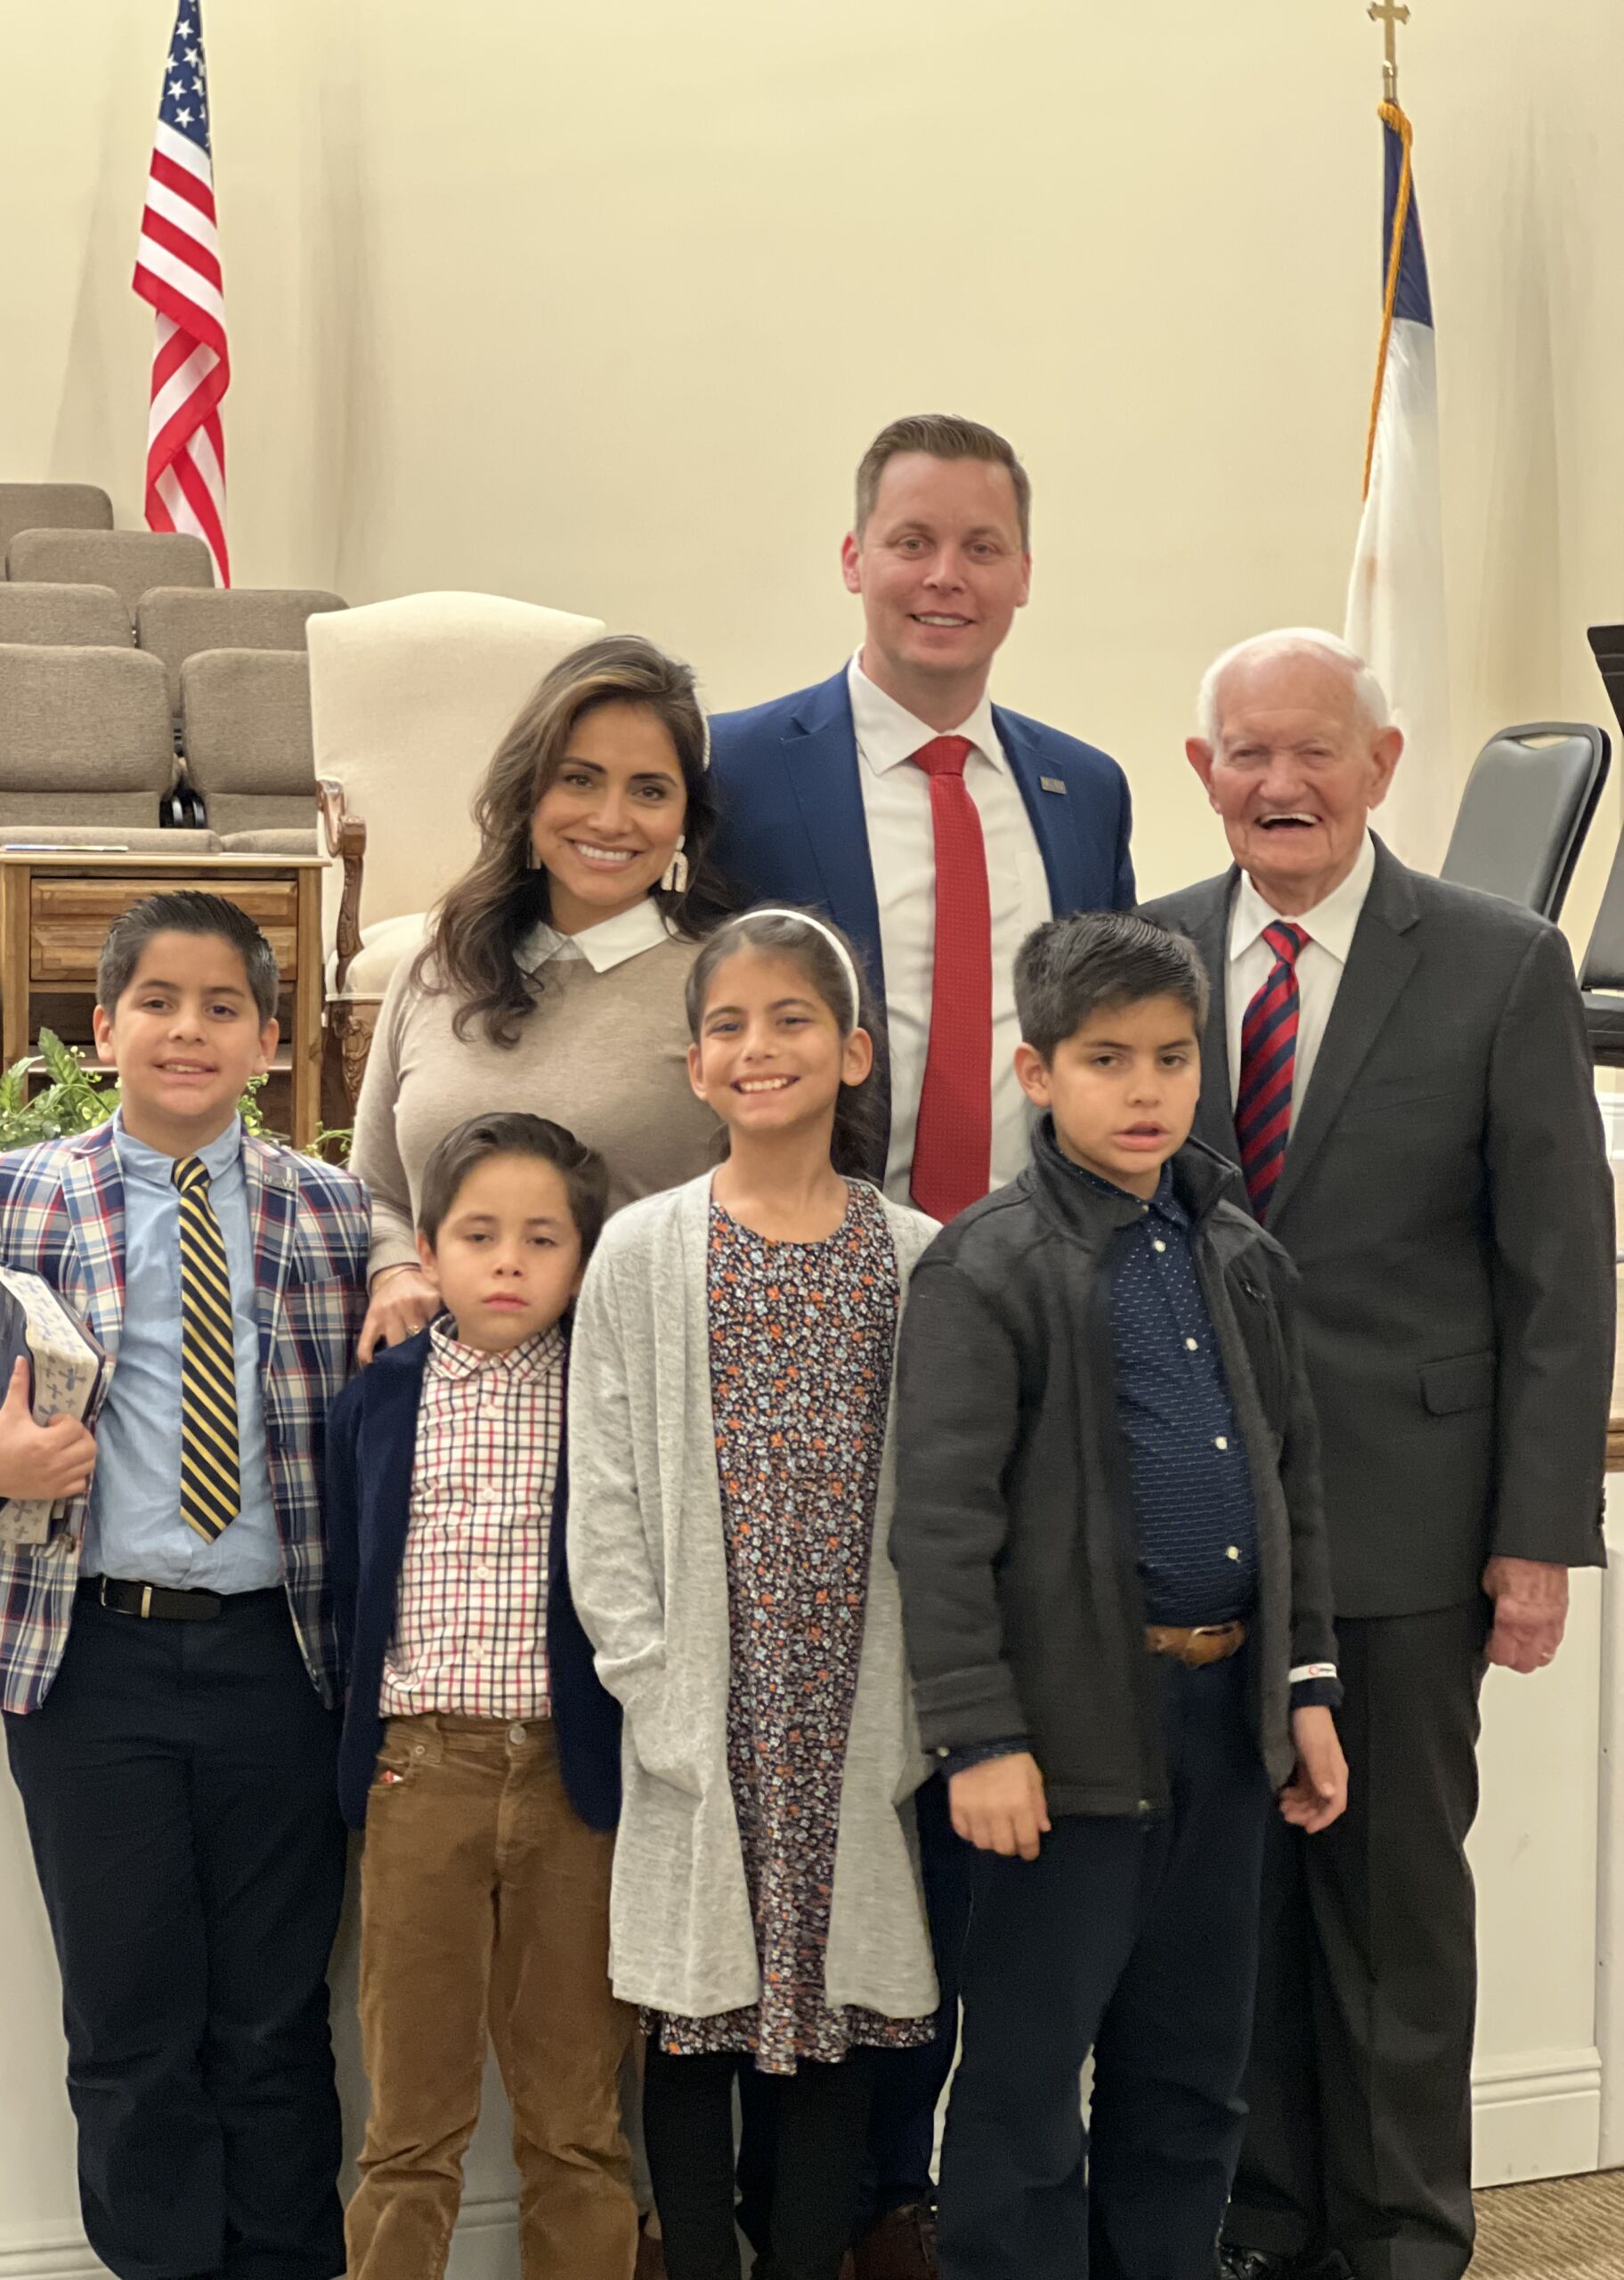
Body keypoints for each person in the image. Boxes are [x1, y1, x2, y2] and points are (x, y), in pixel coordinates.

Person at [709, 413, 1136, 2273]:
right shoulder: (740, 767)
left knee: (990, 1722)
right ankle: (829, 2176)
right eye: (911, 539)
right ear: (853, 557)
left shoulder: (1085, 787)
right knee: (827, 1743)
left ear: (1024, 572)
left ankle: (944, 2175)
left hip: (1031, 1327)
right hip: (818, 1308)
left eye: (980, 544)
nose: (944, 575)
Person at [1144, 629, 1615, 2280]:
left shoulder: (1501, 963)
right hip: (1200, 1526)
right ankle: (1270, 2226)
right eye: (1248, 754)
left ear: (1382, 766)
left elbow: (1561, 1271)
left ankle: (1407, 2239)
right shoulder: (1140, 956)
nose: (1282, 783)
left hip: (1414, 1522)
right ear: (1203, 773)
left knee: (1395, 1907)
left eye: (1316, 751)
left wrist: (1539, 1533)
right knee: (1243, 1905)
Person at [0, 892, 370, 2280]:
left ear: (269, 1042)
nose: (189, 1029)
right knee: (128, 2025)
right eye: (158, 1003)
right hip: (90, 1668)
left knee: (276, 2023)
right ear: (104, 1029)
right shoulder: (20, 1192)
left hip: (283, 1664)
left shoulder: (333, 1210)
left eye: (223, 1006)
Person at [889, 909, 1347, 2280]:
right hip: (1062, 1742)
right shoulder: (987, 1266)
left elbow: (1291, 1488)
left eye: (1171, 1057)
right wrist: (979, 1737)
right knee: (1028, 2090)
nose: (1145, 1089)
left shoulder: (1238, 1253)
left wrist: (1305, 1685)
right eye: (1106, 1060)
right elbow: (941, 1527)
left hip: (1226, 1727)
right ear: (1037, 1073)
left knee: (1193, 2075)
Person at [568, 908, 939, 2280]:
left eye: (792, 1019)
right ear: (694, 1066)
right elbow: (604, 1491)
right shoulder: (643, 1251)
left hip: (852, 1703)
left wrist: (915, 1712)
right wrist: (652, 1683)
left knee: (833, 2022)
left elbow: (950, 1496)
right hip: (701, 1705)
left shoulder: (916, 1255)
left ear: (852, 1051)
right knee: (691, 2016)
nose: (758, 1045)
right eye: (727, 1024)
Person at [327, 1110, 637, 2279]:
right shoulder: (379, 1400)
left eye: (542, 1239)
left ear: (582, 1259)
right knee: (410, 2121)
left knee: (576, 2119)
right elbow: (349, 1585)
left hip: (574, 1783)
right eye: (478, 1234)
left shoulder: (608, 1396)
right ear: (428, 1249)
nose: (509, 1262)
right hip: (421, 1774)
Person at [349, 632, 730, 1368]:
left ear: (687, 818)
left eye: (650, 790)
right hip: (443, 1398)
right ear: (528, 792)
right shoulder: (435, 965)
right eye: (579, 779)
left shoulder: (721, 987)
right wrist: (395, 1270)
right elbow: (378, 1192)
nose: (611, 819)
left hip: (641, 1392)